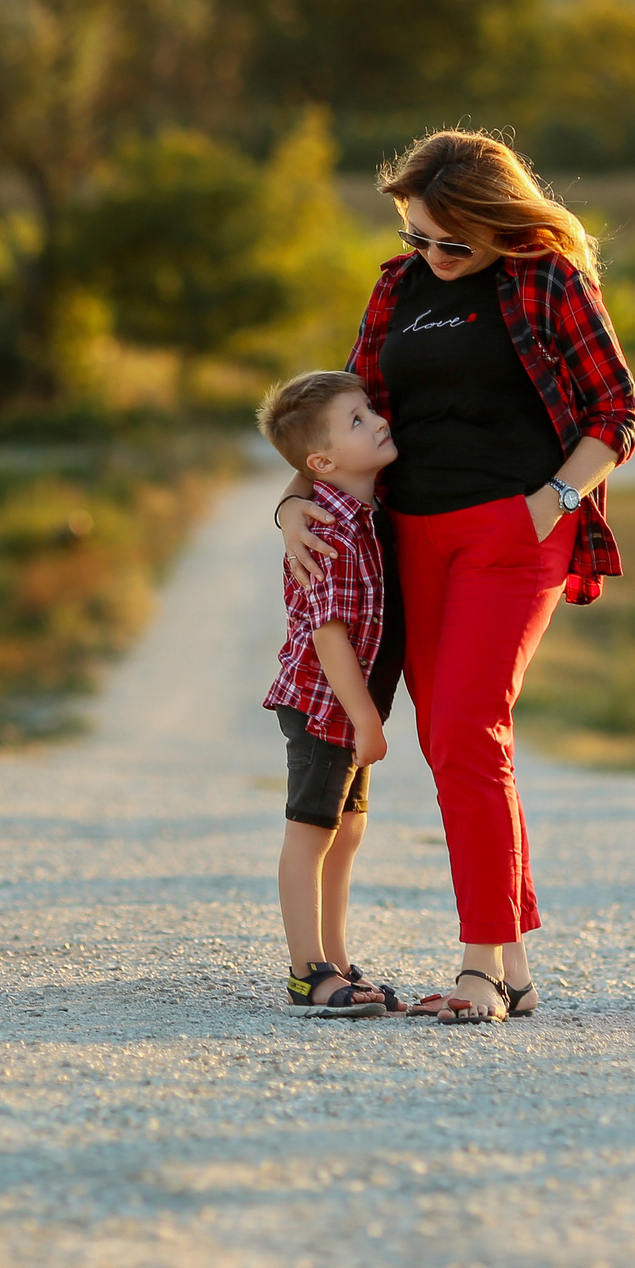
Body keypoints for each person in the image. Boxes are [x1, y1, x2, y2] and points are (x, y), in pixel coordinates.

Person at [280, 130, 635, 1025]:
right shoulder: (396, 289)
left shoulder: (547, 279)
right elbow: (349, 406)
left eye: (452, 242)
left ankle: (479, 966)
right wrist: (293, 502)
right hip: (408, 536)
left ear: (497, 225)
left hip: (514, 533)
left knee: (470, 731)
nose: (431, 257)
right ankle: (511, 967)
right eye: (417, 237)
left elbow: (617, 411)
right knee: (450, 744)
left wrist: (551, 502)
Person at [256, 369, 408, 1018]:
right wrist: (365, 718)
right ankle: (305, 971)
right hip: (325, 705)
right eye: (357, 420)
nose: (377, 419)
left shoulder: (363, 512)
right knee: (311, 832)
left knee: (347, 832)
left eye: (370, 409)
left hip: (343, 707)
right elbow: (329, 636)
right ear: (321, 462)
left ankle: (338, 958)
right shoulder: (330, 529)